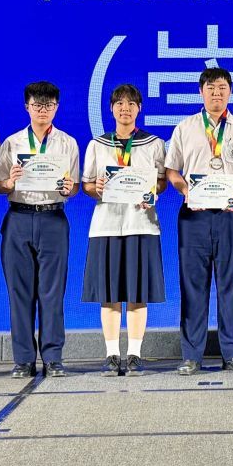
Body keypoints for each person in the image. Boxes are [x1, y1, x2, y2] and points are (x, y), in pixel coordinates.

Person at [165, 68, 233, 376]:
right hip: (194, 216)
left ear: (230, 92)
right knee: (193, 285)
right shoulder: (185, 128)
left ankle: (232, 353)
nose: (216, 93)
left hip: (231, 216)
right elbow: (172, 171)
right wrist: (185, 190)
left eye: (222, 87)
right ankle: (191, 355)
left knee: (230, 285)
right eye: (210, 88)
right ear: (201, 92)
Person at [0, 81, 80, 378]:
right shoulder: (12, 143)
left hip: (53, 218)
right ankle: (23, 360)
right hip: (18, 218)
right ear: (27, 107)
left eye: (49, 105)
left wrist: (69, 189)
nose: (43, 110)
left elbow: (74, 186)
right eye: (37, 105)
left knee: (52, 292)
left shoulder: (67, 143)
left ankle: (53, 357)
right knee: (19, 293)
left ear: (57, 108)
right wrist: (10, 181)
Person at [81, 84, 168, 377]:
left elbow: (161, 182)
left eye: (131, 104)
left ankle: (134, 354)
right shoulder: (97, 144)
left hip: (141, 223)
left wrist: (153, 192)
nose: (125, 108)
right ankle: (111, 354)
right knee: (109, 294)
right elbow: (87, 185)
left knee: (137, 292)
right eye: (119, 103)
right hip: (105, 224)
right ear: (111, 108)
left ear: (139, 108)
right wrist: (96, 188)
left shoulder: (154, 143)